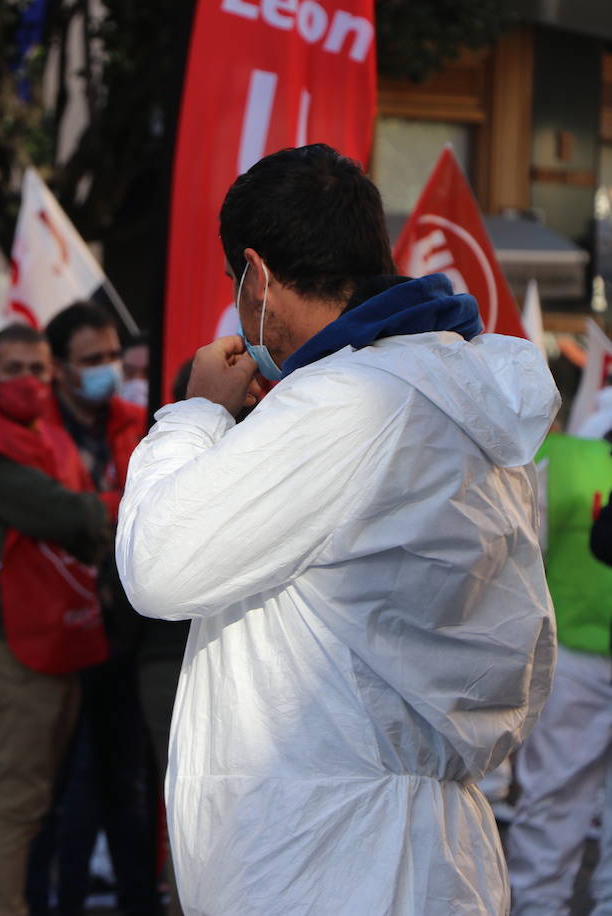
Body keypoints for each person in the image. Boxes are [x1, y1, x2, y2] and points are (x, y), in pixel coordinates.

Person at [114, 144, 558, 914]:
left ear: (255, 276)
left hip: (329, 860)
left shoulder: (347, 403)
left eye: (234, 285)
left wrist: (197, 414)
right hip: (408, 849)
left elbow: (157, 564)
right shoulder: (447, 388)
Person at [0, 323, 111, 916]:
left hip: (53, 633)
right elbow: (72, 516)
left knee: (36, 798)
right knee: (20, 798)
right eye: (14, 370)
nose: (29, 382)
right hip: (9, 643)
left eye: (38, 369)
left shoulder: (45, 438)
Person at [27, 302, 156, 916]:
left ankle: (139, 900)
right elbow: (50, 512)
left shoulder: (139, 423)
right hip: (56, 629)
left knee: (126, 782)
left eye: (111, 356)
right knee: (62, 787)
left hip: (127, 628)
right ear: (58, 368)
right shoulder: (34, 430)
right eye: (92, 360)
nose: (107, 369)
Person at [505, 432, 612, 914]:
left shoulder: (564, 456)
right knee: (555, 798)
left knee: (555, 800)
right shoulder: (565, 458)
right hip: (577, 659)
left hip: (575, 661)